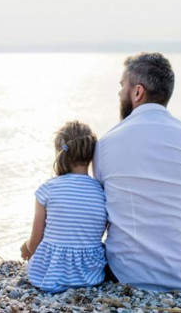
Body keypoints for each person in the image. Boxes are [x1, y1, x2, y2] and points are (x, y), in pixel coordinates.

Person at [93, 52, 181, 292]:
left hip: (124, 273)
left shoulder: (106, 144)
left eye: (122, 86)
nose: (119, 93)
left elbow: (101, 219)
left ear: (137, 92)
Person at [20, 120, 107, 293]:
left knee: (30, 248)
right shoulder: (102, 191)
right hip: (90, 275)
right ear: (91, 154)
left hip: (49, 275)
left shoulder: (48, 189)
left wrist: (26, 248)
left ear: (60, 152)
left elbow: (35, 241)